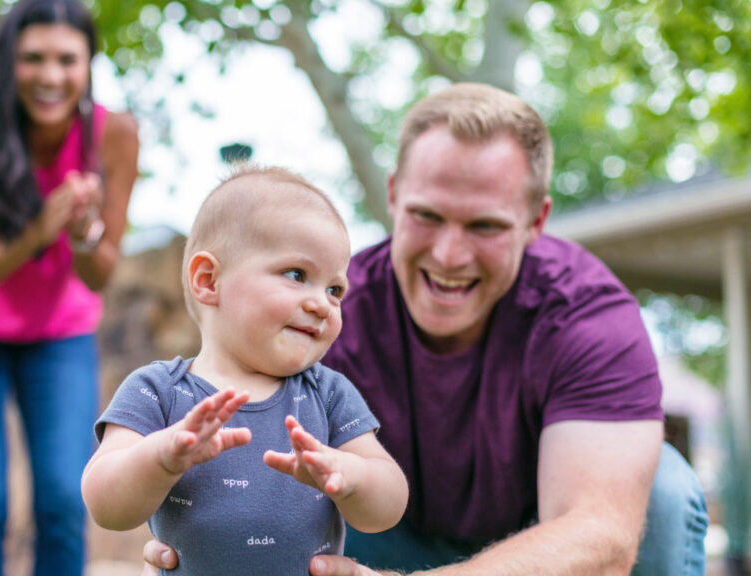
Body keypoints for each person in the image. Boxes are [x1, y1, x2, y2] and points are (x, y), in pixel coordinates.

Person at [144, 83, 708, 575]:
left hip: (536, 549)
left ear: (536, 220)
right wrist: (198, 546)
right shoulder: (326, 314)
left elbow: (600, 538)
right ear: (393, 196)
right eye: (427, 216)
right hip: (378, 536)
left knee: (663, 493)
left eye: (484, 225)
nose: (449, 254)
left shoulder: (587, 317)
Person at [82, 166, 409, 575]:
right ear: (208, 280)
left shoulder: (328, 394)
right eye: (297, 275)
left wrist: (351, 475)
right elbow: (105, 506)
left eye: (334, 290)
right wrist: (160, 459)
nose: (322, 304)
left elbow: (389, 505)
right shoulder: (157, 391)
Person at [0, 0, 138, 574]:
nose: (51, 76)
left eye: (68, 60)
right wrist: (39, 231)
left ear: (88, 64)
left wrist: (83, 234)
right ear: (6, 63)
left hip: (57, 332)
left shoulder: (113, 135)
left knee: (64, 498)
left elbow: (101, 273)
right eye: (33, 58)